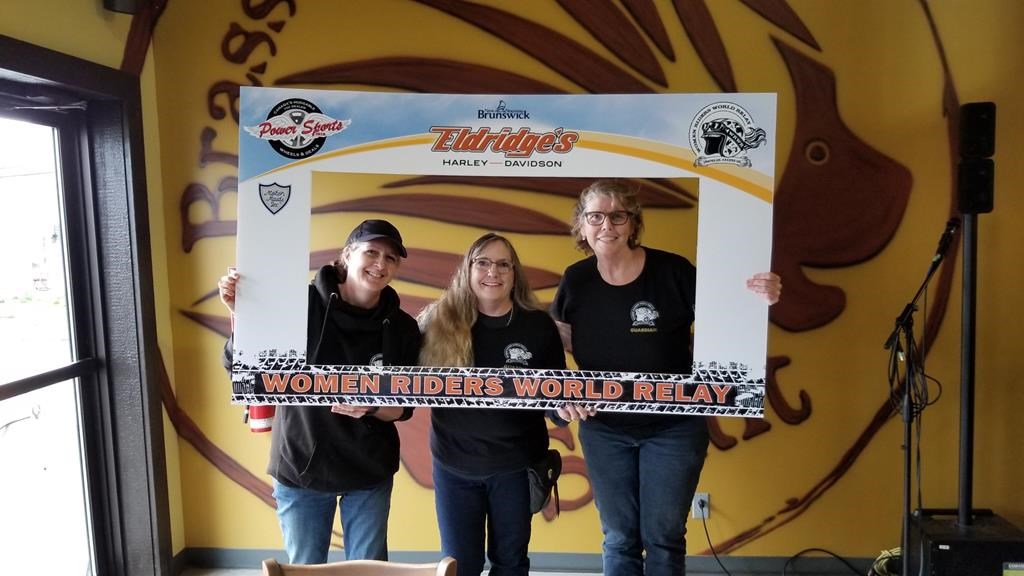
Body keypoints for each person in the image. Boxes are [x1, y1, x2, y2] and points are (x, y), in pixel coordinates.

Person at [550, 179, 781, 576]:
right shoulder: (576, 280)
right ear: (583, 227)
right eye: (596, 216)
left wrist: (761, 296)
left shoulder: (672, 271)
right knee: (619, 537)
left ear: (632, 222)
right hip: (604, 428)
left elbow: (726, 314)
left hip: (675, 428)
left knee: (664, 538)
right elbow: (554, 341)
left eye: (618, 215)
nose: (607, 225)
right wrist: (562, 395)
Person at [217, 219, 422, 565]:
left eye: (390, 258)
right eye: (371, 252)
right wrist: (245, 315)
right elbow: (241, 367)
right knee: (306, 570)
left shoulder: (403, 327)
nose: (380, 264)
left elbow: (403, 408)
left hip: (368, 468)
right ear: (347, 255)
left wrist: (370, 408)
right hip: (301, 464)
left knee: (369, 573)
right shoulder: (298, 305)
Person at [417, 233, 566, 576]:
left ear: (515, 274)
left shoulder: (537, 325)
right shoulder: (439, 321)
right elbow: (403, 378)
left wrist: (565, 410)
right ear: (467, 270)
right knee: (459, 565)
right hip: (454, 466)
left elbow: (554, 397)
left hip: (516, 466)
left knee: (510, 562)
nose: (492, 272)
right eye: (482, 262)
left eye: (503, 264)